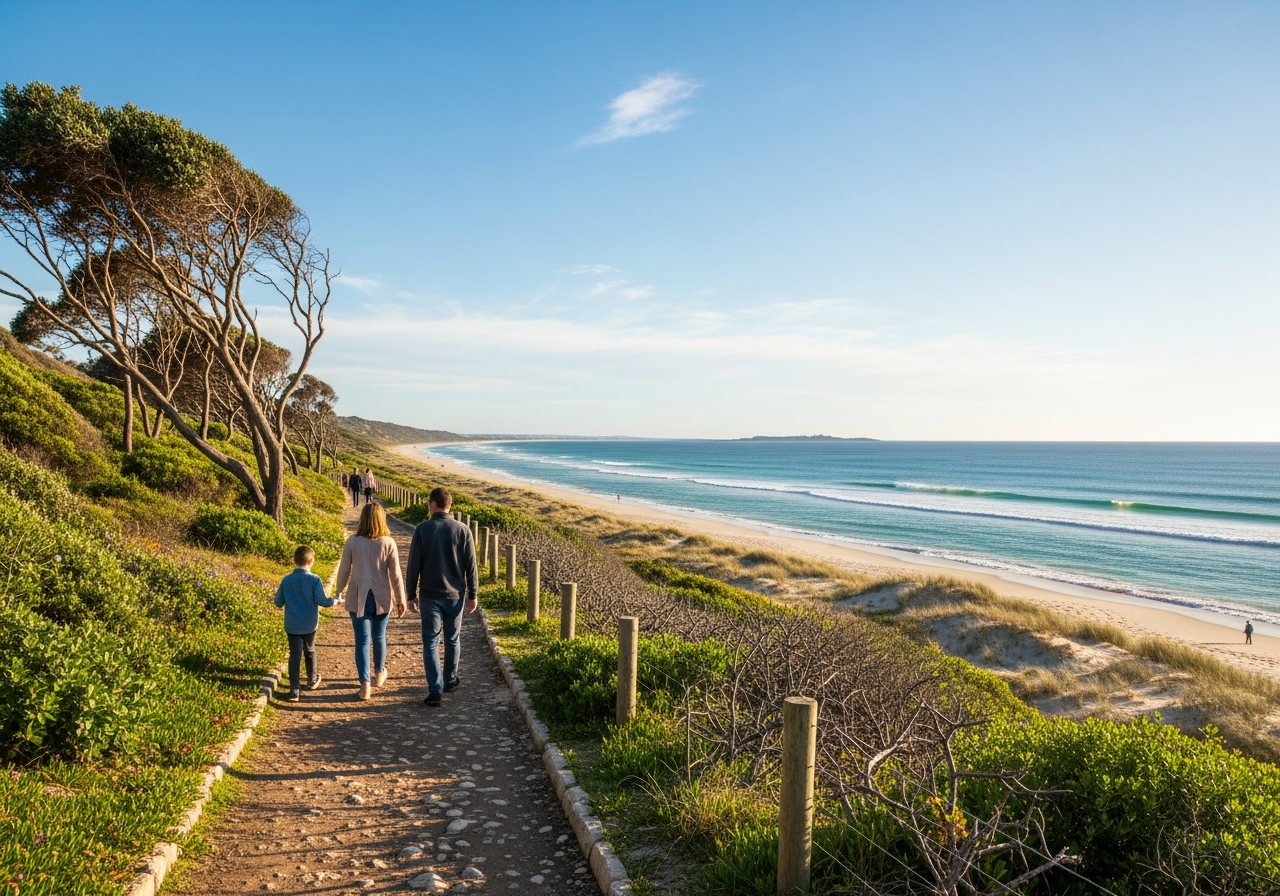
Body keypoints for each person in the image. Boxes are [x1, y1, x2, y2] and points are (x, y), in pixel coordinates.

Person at [405, 487, 478, 707]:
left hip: (429, 595)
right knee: (452, 639)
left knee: (430, 641)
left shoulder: (422, 529)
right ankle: (450, 679)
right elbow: (471, 566)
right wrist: (473, 594)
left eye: (429, 504)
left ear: (433, 504)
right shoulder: (463, 530)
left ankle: (435, 689)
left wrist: (411, 595)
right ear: (449, 505)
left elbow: (413, 565)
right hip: (455, 595)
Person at [334, 502, 407, 699]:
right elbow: (396, 575)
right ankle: (379, 673)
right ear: (382, 519)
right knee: (379, 637)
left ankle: (365, 684)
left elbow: (344, 570)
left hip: (358, 597)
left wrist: (339, 591)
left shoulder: (352, 542)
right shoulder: (388, 542)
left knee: (362, 641)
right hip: (382, 597)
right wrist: (401, 600)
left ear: (363, 519)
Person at [273, 545, 337, 702]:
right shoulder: (314, 580)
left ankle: (294, 690)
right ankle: (312, 679)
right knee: (310, 650)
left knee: (295, 654)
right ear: (310, 561)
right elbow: (322, 601)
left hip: (292, 624)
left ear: (294, 561)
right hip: (309, 624)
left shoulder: (286, 580)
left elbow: (278, 602)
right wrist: (334, 601)